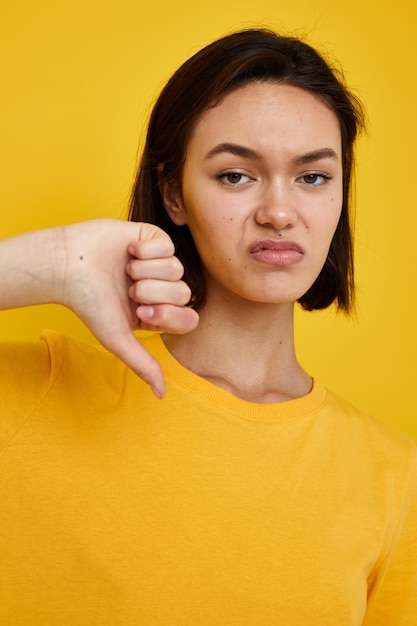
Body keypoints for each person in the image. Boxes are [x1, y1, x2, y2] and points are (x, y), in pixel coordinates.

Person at [0, 28, 416, 626]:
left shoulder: (393, 475)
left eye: (313, 177)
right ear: (173, 193)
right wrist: (53, 261)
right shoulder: (41, 389)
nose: (279, 212)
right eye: (235, 175)